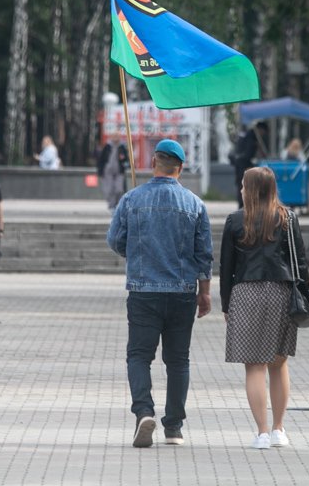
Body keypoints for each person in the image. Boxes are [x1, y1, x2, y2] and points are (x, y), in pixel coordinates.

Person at [107, 139, 213, 449]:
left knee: (139, 355)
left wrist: (136, 252)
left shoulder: (131, 199)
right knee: (178, 360)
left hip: (143, 291)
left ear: (154, 162)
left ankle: (143, 412)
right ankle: (174, 427)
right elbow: (203, 254)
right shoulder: (194, 204)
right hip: (182, 292)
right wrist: (204, 293)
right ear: (180, 168)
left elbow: (114, 240)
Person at [219, 166, 308, 450]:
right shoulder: (287, 218)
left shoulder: (235, 221)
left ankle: (261, 433)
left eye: (244, 186)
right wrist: (303, 298)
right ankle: (280, 430)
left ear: (252, 189)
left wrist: (226, 304)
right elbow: (300, 263)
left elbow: (226, 267)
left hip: (245, 292)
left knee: (254, 365)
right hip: (282, 292)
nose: (241, 190)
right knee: (279, 362)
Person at [231, 122, 268, 208]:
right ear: (260, 130)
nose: (263, 135)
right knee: (244, 185)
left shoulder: (248, 135)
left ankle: (243, 205)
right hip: (243, 166)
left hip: (240, 165)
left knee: (242, 185)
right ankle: (243, 205)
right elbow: (247, 154)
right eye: (263, 132)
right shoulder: (251, 137)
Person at [96, 138, 129, 211]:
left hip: (119, 172)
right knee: (109, 189)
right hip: (108, 172)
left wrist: (125, 165)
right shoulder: (107, 146)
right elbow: (101, 159)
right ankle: (111, 204)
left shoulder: (122, 147)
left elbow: (126, 159)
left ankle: (118, 204)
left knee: (119, 189)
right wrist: (100, 171)